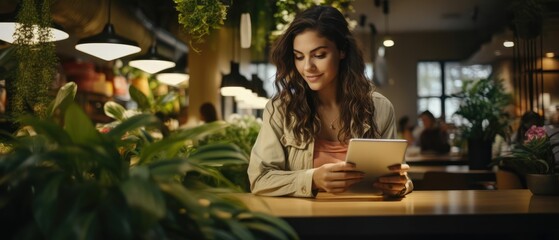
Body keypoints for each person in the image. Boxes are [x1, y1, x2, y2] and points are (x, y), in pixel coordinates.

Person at [248, 5, 413, 198]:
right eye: (299, 57)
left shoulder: (380, 108)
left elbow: (396, 175)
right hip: (305, 223)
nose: (307, 67)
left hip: (367, 220)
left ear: (342, 51)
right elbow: (260, 179)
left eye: (319, 55)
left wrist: (401, 185)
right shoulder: (281, 109)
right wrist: (313, 179)